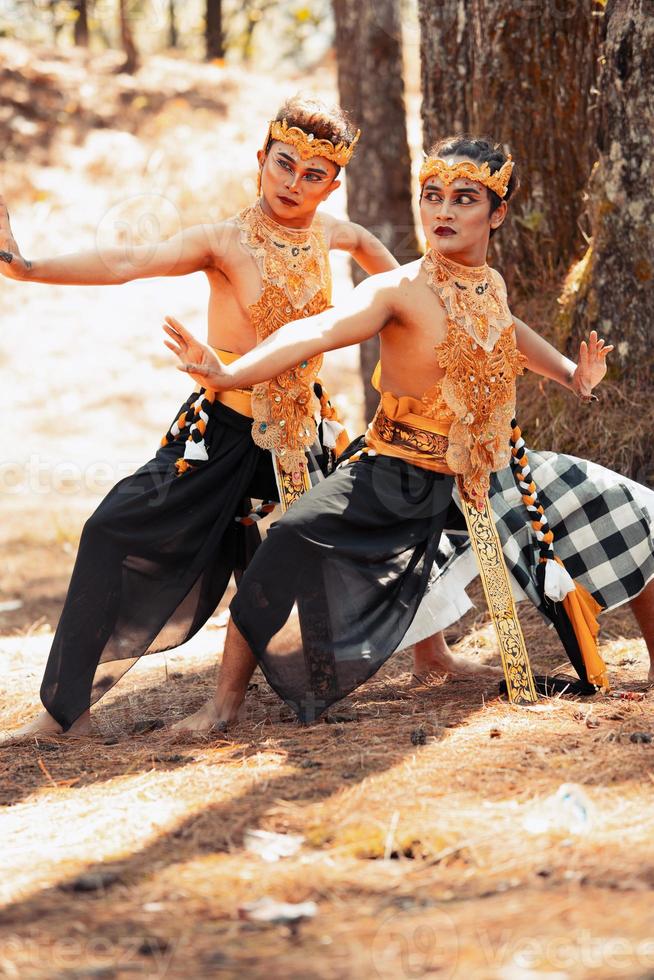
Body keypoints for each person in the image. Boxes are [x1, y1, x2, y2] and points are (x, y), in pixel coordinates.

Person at [162, 135, 654, 731]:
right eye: (432, 196)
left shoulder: (489, 284)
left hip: (495, 475)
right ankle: (223, 704)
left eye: (464, 198)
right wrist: (230, 371)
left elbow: (507, 328)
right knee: (289, 538)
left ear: (496, 213)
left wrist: (574, 374)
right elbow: (316, 332)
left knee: (631, 507)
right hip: (400, 472)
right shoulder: (396, 289)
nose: (443, 211)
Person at [0, 96, 409, 740]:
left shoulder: (337, 233)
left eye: (312, 175)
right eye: (283, 164)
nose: (292, 184)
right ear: (260, 160)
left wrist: (430, 324)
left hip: (302, 438)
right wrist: (27, 269)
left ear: (333, 184)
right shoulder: (222, 240)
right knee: (111, 529)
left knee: (299, 565)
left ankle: (251, 702)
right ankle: (61, 712)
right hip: (219, 436)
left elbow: (400, 290)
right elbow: (126, 264)